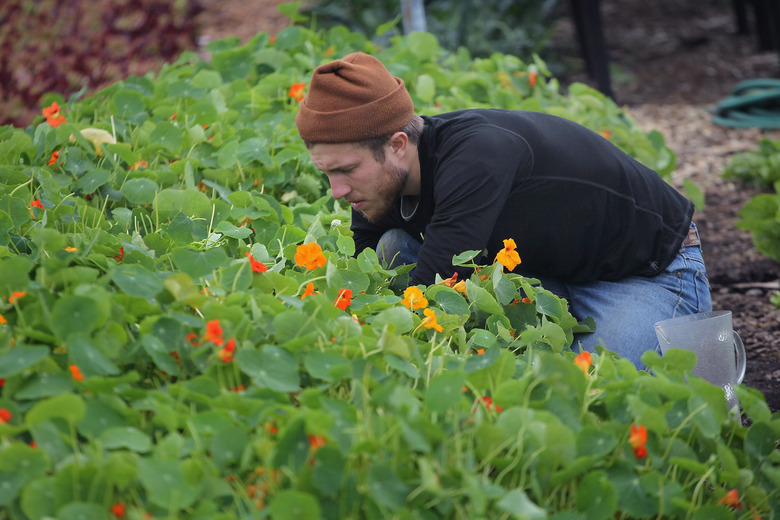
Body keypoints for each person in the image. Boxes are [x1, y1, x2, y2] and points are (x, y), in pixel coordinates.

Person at [294, 51, 712, 370]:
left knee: (599, 383)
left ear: (397, 144)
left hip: (642, 274)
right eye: (328, 174)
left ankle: (703, 344)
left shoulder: (477, 153)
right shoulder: (375, 182)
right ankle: (563, 332)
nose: (337, 190)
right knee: (390, 246)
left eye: (346, 170)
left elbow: (438, 282)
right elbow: (360, 269)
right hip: (548, 272)